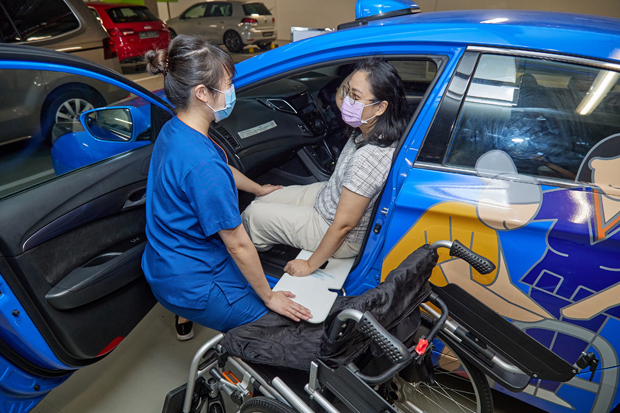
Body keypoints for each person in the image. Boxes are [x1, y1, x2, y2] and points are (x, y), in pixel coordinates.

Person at [142, 36, 312, 339]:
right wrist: (270, 298)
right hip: (193, 282)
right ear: (202, 93)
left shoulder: (175, 129)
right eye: (228, 83)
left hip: (163, 261)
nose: (232, 90)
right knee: (277, 327)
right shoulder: (201, 163)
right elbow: (237, 243)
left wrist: (259, 189)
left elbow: (222, 169)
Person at [242, 58, 409, 277]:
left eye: (355, 96)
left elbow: (343, 227)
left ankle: (258, 258)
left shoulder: (368, 159)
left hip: (337, 230)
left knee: (253, 215)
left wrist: (309, 265)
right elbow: (343, 95)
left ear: (380, 107)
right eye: (347, 91)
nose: (347, 100)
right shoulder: (370, 127)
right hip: (328, 196)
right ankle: (272, 239)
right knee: (263, 197)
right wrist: (354, 79)